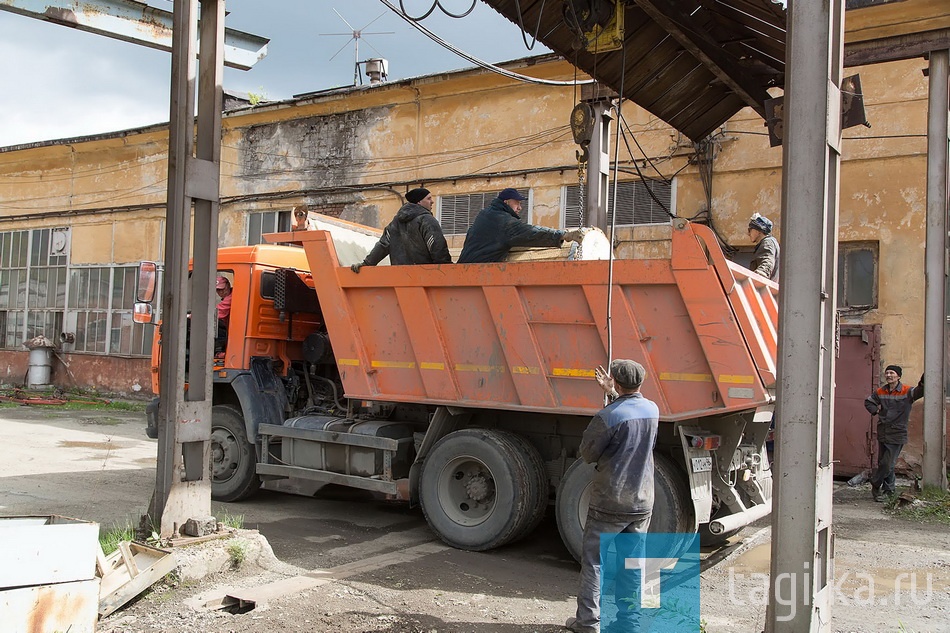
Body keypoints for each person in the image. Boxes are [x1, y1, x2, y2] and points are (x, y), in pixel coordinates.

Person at [566, 359, 659, 633]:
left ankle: (588, 623)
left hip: (611, 499)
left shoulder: (607, 416)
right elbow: (630, 415)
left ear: (617, 382)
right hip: (642, 500)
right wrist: (613, 393)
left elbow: (588, 453)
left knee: (595, 562)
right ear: (641, 382)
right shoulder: (652, 409)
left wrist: (609, 400)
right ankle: (629, 623)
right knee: (632, 563)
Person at [457, 188, 584, 263]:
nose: (519, 207)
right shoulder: (501, 221)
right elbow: (530, 232)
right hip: (476, 274)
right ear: (506, 202)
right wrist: (563, 235)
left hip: (465, 270)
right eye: (516, 203)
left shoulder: (485, 214)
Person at [350, 188, 451, 272]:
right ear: (419, 201)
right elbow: (437, 246)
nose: (432, 201)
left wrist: (366, 264)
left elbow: (383, 245)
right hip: (425, 275)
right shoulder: (427, 220)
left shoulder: (395, 222)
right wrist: (447, 268)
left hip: (400, 276)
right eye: (429, 198)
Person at [864, 364, 924, 502]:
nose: (889, 375)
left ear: (898, 376)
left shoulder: (907, 391)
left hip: (897, 432)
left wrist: (924, 379)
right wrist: (876, 410)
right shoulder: (881, 391)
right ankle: (889, 491)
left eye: (892, 373)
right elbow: (868, 402)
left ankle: (875, 482)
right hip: (883, 431)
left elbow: (921, 390)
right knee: (883, 462)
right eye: (887, 373)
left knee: (888, 463)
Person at [747, 212, 780, 281]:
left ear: (758, 231)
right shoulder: (770, 242)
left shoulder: (767, 243)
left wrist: (760, 275)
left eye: (750, 230)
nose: (748, 234)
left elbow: (767, 261)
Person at [215, 276, 232, 355]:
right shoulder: (228, 297)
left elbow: (217, 313)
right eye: (218, 290)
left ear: (228, 285)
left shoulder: (230, 298)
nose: (220, 292)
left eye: (222, 289)